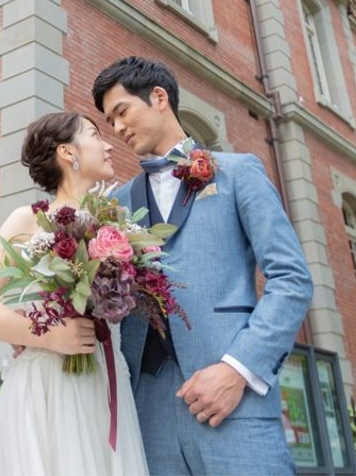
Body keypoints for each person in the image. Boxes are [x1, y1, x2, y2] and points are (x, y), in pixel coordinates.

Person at [93, 57, 313, 475]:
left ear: (159, 97)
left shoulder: (238, 173)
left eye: (122, 112)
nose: (117, 128)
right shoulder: (115, 205)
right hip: (148, 410)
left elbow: (291, 279)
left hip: (233, 399)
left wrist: (237, 370)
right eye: (109, 121)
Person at [0, 112, 149, 475]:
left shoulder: (115, 224)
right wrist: (48, 334)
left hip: (105, 378)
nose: (108, 145)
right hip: (49, 381)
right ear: (67, 152)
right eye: (94, 135)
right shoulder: (27, 220)